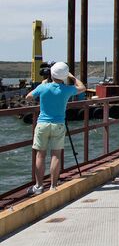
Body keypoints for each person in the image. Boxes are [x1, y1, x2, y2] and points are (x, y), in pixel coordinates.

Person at [25, 62, 86, 194]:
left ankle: (39, 186)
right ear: (64, 76)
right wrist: (71, 76)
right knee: (56, 155)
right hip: (58, 124)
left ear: (51, 73)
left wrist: (42, 86)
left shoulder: (44, 87)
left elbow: (28, 97)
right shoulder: (67, 89)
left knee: (40, 155)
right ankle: (53, 186)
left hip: (42, 124)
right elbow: (82, 87)